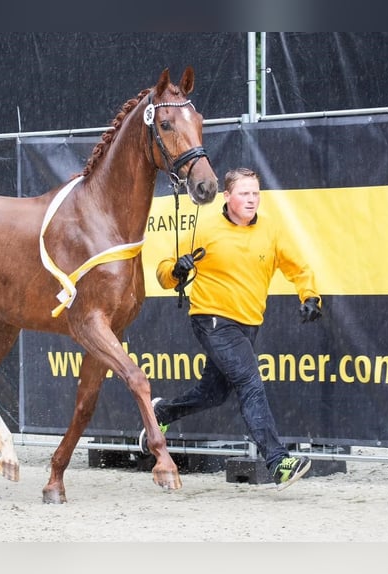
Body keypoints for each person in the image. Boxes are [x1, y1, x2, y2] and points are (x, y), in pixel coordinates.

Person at [139, 167, 323, 491]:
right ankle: (278, 461)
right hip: (211, 319)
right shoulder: (205, 229)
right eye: (244, 194)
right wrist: (176, 270)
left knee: (213, 394)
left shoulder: (270, 230)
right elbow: (164, 272)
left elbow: (299, 267)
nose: (251, 200)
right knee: (250, 381)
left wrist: (310, 296)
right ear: (226, 197)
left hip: (248, 324)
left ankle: (161, 413)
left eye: (255, 193)